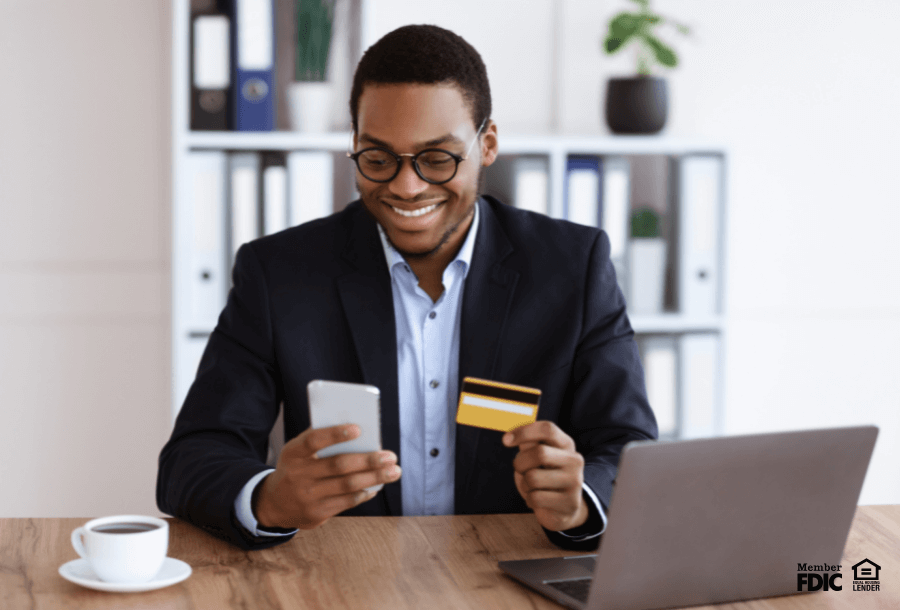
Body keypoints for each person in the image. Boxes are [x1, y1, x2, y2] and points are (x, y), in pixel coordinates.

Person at [157, 24, 657, 552]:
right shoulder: (277, 273)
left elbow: (629, 449)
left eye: (437, 159)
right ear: (354, 145)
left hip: (510, 573)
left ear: (486, 145)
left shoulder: (573, 267)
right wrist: (268, 499)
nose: (405, 185)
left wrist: (580, 502)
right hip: (348, 578)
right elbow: (192, 458)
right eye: (377, 158)